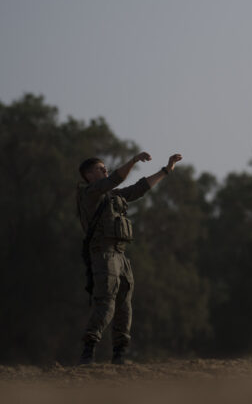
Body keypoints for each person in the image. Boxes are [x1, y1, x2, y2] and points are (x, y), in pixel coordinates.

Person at [76, 150, 182, 365]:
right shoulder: (89, 194)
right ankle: (88, 351)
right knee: (106, 303)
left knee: (124, 305)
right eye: (100, 168)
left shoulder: (112, 197)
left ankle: (120, 354)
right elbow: (117, 177)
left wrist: (166, 171)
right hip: (104, 254)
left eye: (105, 167)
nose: (105, 170)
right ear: (88, 175)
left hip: (120, 255)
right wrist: (134, 160)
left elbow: (138, 189)